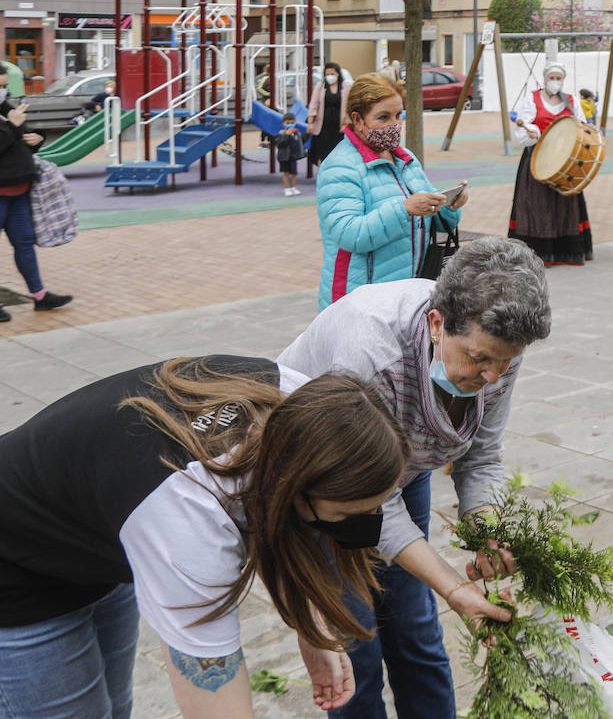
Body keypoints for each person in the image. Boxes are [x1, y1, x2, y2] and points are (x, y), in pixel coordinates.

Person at [0, 354, 514, 719]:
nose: (352, 528)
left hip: (100, 541)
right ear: (297, 486)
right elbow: (214, 698)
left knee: (113, 707)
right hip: (17, 568)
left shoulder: (299, 400)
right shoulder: (190, 519)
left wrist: (309, 622)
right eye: (342, 513)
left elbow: (281, 515)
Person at [277, 236, 552, 719]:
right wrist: (452, 584)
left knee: (416, 634)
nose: (493, 376)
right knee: (355, 645)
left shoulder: (498, 345)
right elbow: (370, 505)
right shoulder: (369, 353)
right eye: (479, 358)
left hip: (403, 475)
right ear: (436, 323)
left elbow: (481, 456)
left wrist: (486, 528)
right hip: (324, 493)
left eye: (506, 361)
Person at [316, 73, 466, 310]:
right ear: (358, 119)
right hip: (359, 300)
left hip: (406, 294)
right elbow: (349, 234)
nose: (394, 124)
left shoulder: (405, 158)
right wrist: (405, 209)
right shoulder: (340, 166)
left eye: (398, 115)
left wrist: (448, 204)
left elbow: (433, 220)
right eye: (383, 117)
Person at [508, 62, 594, 265]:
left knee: (566, 203)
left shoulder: (571, 101)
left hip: (565, 159)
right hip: (537, 157)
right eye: (551, 78)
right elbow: (523, 126)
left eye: (558, 78)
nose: (555, 82)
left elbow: (581, 125)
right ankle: (537, 252)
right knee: (536, 203)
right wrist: (532, 131)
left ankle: (565, 251)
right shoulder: (532, 98)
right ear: (545, 79)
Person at [0, 84, 70, 323]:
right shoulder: (8, 116)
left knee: (24, 242)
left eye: (4, 85)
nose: (4, 90)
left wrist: (38, 138)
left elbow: (24, 137)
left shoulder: (5, 108)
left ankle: (40, 296)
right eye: (0, 85)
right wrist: (12, 126)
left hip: (19, 190)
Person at [308, 61, 352, 167]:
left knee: (338, 152)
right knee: (322, 152)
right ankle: (322, 174)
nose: (329, 76)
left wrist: (345, 124)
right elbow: (314, 105)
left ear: (338, 74)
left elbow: (349, 106)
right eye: (327, 74)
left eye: (332, 73)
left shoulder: (345, 87)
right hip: (323, 126)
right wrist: (310, 122)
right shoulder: (320, 86)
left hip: (338, 126)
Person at [275, 112, 305, 196]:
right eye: (288, 123)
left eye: (292, 123)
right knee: (286, 173)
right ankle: (287, 188)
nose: (290, 125)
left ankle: (293, 187)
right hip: (284, 157)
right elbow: (279, 144)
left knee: (294, 173)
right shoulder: (281, 134)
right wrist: (286, 135)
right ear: (283, 123)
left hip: (293, 156)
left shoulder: (296, 133)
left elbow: (300, 142)